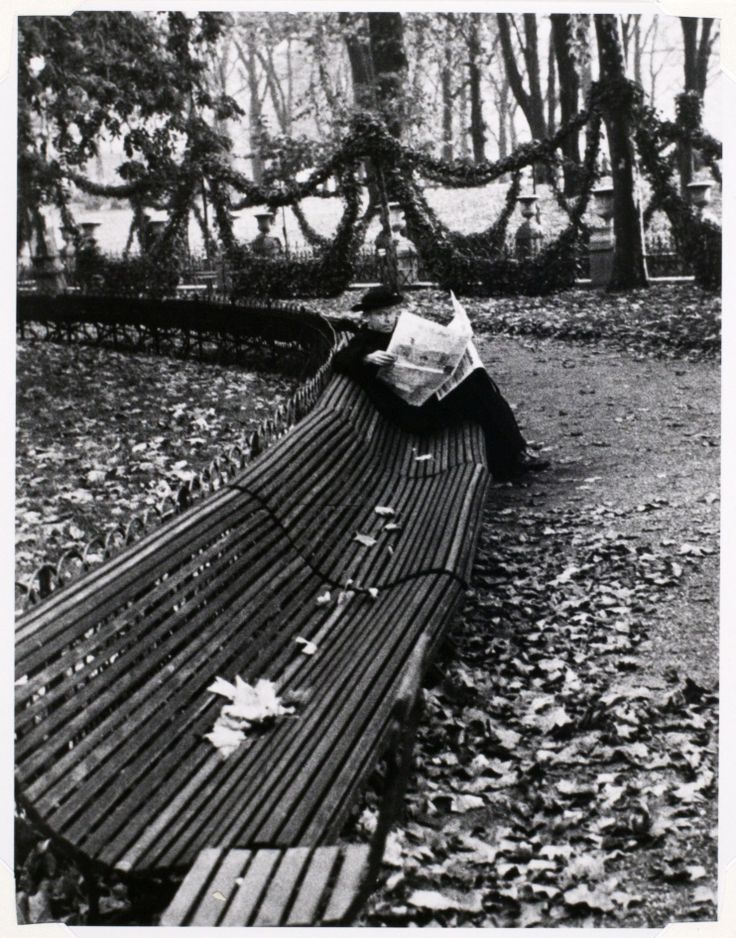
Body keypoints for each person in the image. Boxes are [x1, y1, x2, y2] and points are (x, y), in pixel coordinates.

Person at [333, 289, 549, 480]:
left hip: (427, 398)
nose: (388, 319)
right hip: (413, 413)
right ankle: (512, 459)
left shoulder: (401, 330)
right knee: (479, 398)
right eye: (381, 314)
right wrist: (367, 358)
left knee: (478, 381)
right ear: (367, 316)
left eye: (392, 312)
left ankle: (510, 459)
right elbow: (339, 360)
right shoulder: (363, 340)